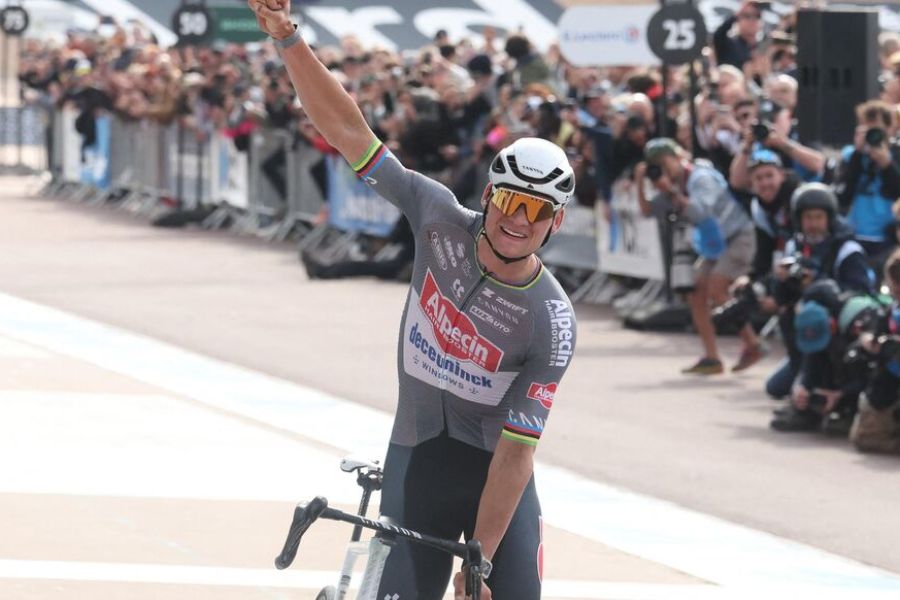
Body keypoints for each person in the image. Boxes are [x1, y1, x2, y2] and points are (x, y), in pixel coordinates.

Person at [248, 3, 578, 599]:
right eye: (510, 201)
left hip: (493, 471)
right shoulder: (437, 215)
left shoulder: (549, 319)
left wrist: (480, 561)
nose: (517, 220)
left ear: (554, 224)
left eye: (537, 211)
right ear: (489, 194)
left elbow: (515, 454)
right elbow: (350, 132)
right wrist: (288, 38)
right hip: (419, 451)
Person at [635, 138, 756, 375]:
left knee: (717, 288)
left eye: (663, 162)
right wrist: (642, 182)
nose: (662, 168)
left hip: (737, 235)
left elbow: (702, 212)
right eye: (655, 165)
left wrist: (670, 191)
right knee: (696, 292)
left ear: (678, 156)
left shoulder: (701, 177)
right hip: (715, 244)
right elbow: (648, 211)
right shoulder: (674, 185)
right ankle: (712, 358)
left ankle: (752, 344)